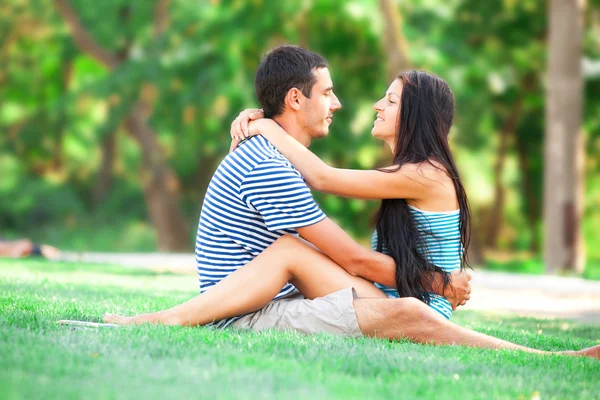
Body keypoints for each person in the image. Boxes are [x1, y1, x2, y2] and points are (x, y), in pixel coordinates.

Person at [105, 46, 599, 359]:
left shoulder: (422, 173)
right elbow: (350, 249)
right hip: (400, 293)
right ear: (298, 99)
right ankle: (167, 317)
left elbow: (322, 177)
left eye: (389, 100)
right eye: (330, 92)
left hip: (417, 299)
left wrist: (263, 124)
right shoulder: (400, 173)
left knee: (298, 254)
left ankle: (560, 361)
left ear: (414, 114)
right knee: (296, 253)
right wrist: (264, 124)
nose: (368, 105)